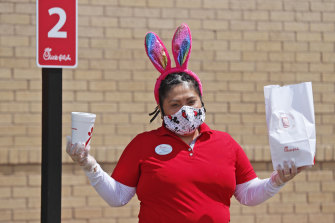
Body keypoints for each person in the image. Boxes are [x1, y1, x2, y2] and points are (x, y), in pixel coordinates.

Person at [66, 24, 306, 223]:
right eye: (175, 104)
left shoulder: (225, 143)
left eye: (191, 101)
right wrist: (88, 164)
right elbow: (117, 197)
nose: (186, 111)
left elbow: (246, 194)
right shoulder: (143, 144)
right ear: (161, 109)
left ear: (202, 101)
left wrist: (277, 181)